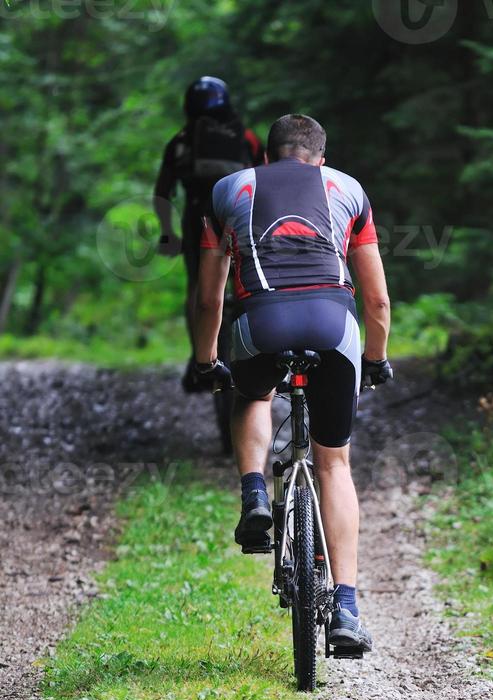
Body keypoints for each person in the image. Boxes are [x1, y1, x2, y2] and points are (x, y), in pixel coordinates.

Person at [192, 114, 392, 652]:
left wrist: (207, 359)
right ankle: (346, 610)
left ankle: (255, 493)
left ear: (265, 157)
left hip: (263, 323)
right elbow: (376, 299)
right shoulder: (348, 189)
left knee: (252, 394)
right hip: (332, 325)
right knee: (334, 463)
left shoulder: (229, 190)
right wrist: (375, 358)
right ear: (320, 159)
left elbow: (210, 299)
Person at [153, 76, 263, 398]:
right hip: (243, 218)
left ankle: (198, 356)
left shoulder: (180, 141)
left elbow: (162, 192)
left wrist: (167, 233)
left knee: (197, 289)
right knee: (250, 285)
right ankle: (262, 345)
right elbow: (268, 178)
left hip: (200, 219)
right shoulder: (247, 138)